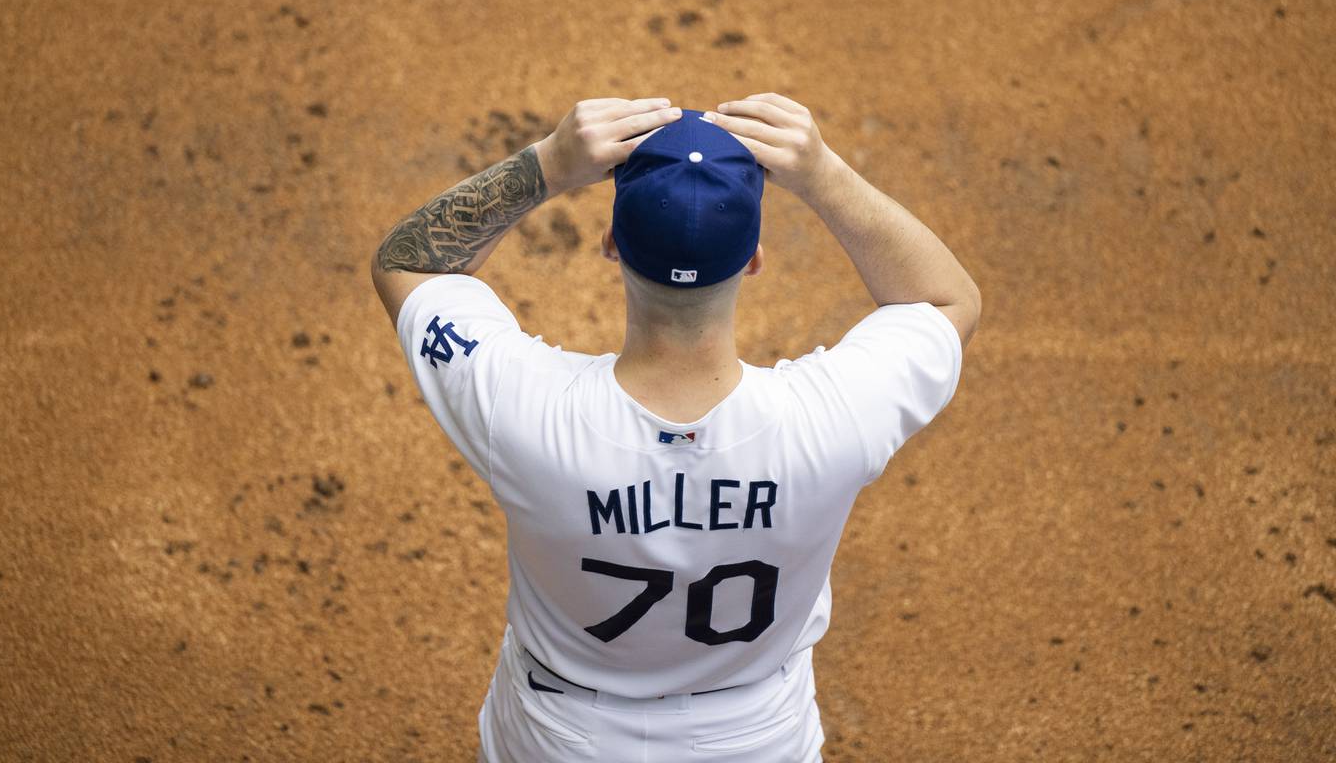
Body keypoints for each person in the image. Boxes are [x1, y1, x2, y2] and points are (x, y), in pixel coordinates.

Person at [371, 93, 981, 762]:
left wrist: (549, 164)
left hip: (563, 738)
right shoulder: (834, 415)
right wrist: (822, 173)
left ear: (611, 246)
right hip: (755, 737)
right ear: (753, 258)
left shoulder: (522, 407)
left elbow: (409, 261)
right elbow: (946, 298)